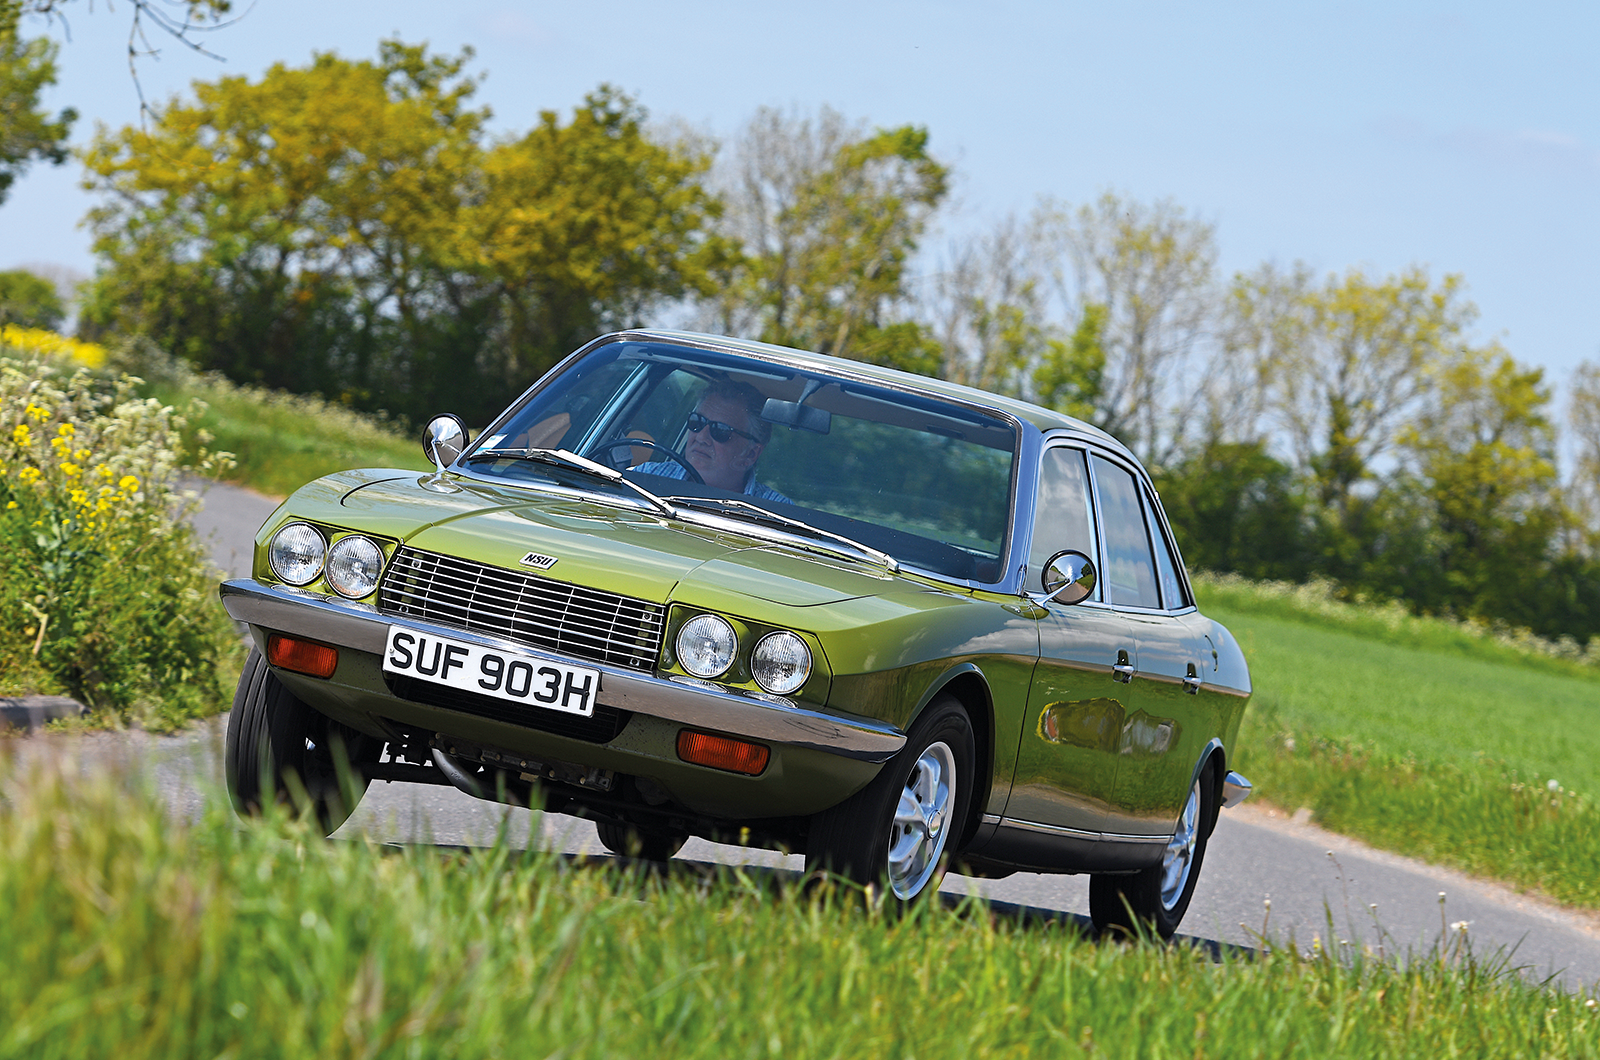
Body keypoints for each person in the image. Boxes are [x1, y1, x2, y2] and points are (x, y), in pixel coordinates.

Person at [633, 381, 789, 503]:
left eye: (720, 430)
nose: (701, 437)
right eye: (697, 422)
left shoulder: (779, 514)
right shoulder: (645, 477)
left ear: (750, 454)